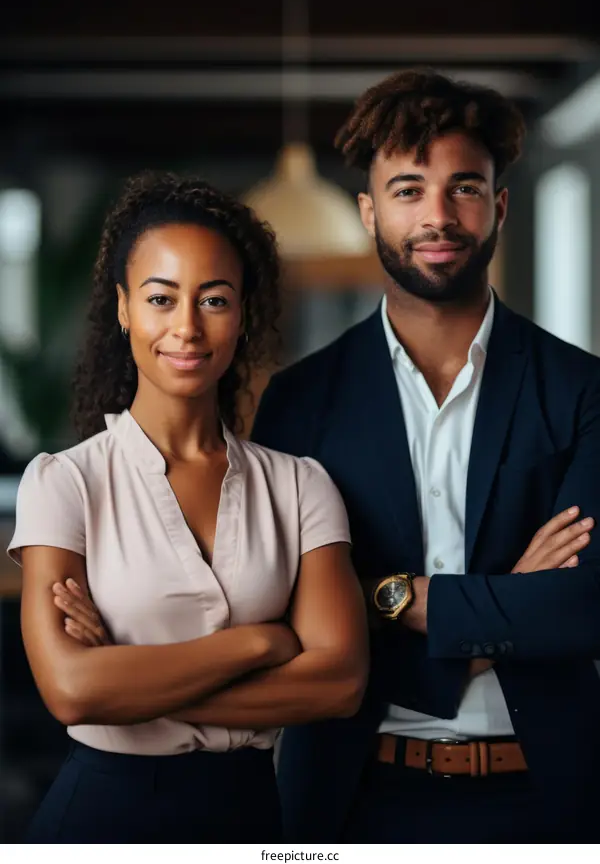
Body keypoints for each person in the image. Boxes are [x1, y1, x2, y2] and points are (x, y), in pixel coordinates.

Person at [247, 69, 600, 843]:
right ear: (369, 212)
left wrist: (386, 597)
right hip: (352, 797)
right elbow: (281, 618)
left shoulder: (583, 390)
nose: (437, 216)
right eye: (408, 191)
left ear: (498, 206)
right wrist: (512, 602)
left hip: (550, 799)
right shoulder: (299, 401)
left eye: (463, 188)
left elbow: (584, 606)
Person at [7, 171, 368, 843]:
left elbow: (339, 684)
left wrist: (128, 680)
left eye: (214, 300)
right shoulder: (64, 483)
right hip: (100, 818)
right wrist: (260, 643)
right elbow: (72, 691)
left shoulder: (300, 486)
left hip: (250, 817)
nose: (187, 328)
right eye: (160, 298)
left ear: (243, 314)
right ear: (123, 308)